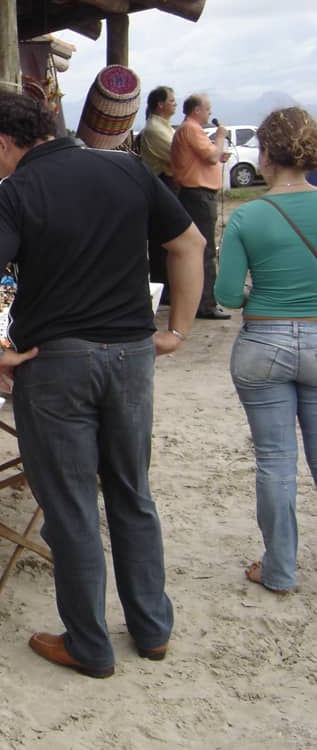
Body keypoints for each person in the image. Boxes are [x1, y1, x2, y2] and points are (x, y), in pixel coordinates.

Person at [0, 92, 205, 679]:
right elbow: (189, 244)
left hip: (54, 364)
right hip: (129, 356)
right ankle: (152, 630)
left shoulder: (13, 192)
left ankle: (89, 644)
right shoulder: (126, 168)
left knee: (70, 508)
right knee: (132, 494)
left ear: (0, 143)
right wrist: (177, 329)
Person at [215, 107, 317, 595]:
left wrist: (261, 295)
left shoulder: (248, 217)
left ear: (266, 155)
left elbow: (228, 295)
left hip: (264, 344)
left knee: (276, 462)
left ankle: (279, 569)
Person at [171, 94, 231, 319]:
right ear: (196, 110)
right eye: (207, 109)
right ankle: (206, 303)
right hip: (198, 195)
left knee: (199, 248)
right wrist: (221, 137)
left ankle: (201, 301)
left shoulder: (188, 130)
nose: (209, 113)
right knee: (205, 250)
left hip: (195, 194)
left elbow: (208, 156)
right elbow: (212, 156)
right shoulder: (192, 129)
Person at [140, 86, 178, 293]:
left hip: (168, 182)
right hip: (162, 183)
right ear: (160, 104)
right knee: (165, 241)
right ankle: (164, 288)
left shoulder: (165, 126)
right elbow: (178, 157)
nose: (175, 103)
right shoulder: (155, 128)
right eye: (171, 100)